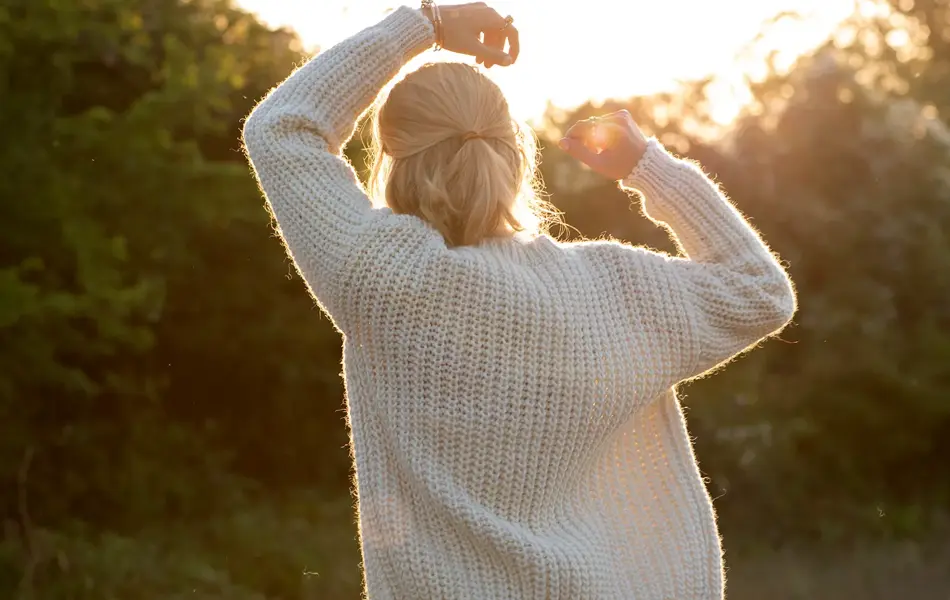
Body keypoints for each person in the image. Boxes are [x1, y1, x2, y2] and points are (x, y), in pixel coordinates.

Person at [242, 3, 796, 599]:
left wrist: (424, 26)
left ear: (395, 161)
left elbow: (282, 127)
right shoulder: (609, 289)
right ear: (515, 155)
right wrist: (647, 167)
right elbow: (760, 289)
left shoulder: (384, 275)